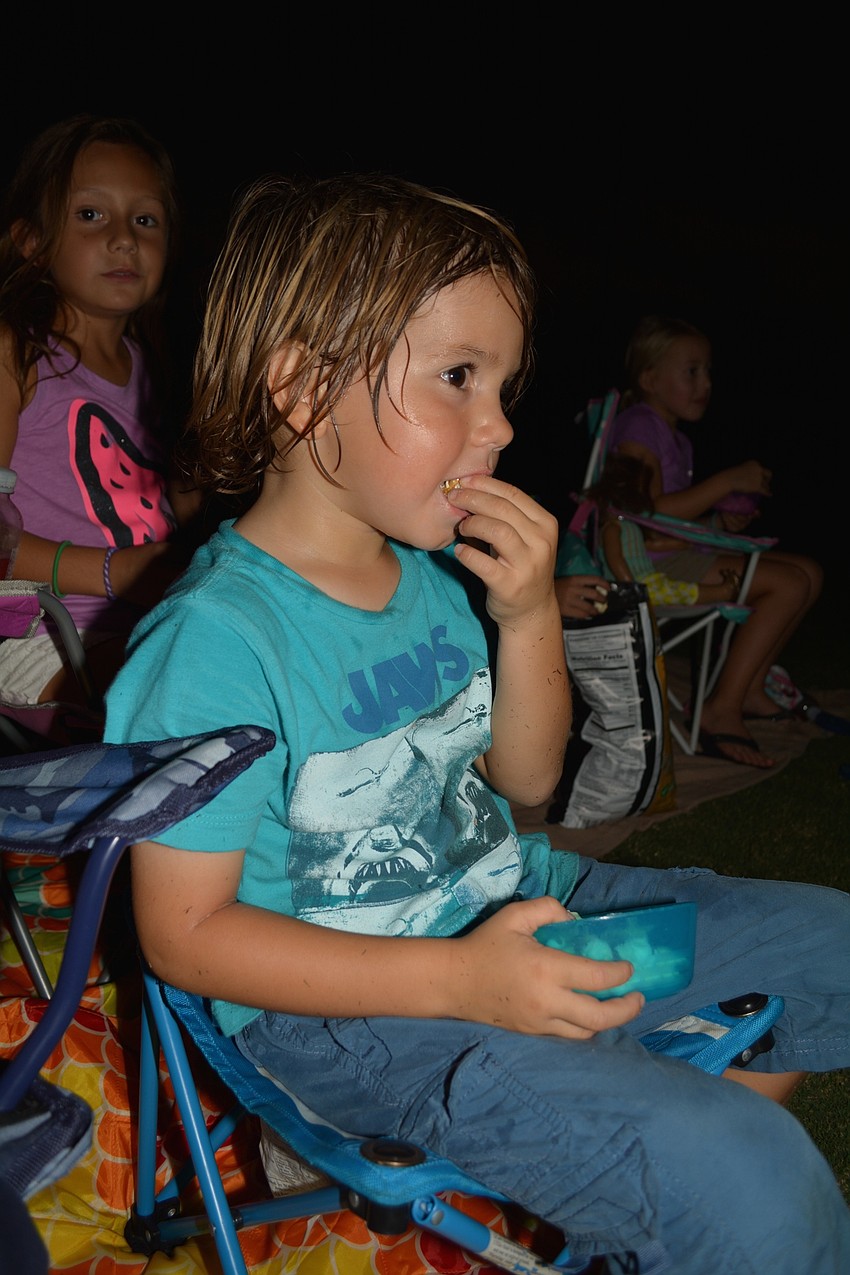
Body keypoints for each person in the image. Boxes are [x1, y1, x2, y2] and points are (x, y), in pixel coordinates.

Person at [104, 174, 850, 1273]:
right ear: (305, 390)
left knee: (828, 947)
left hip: (517, 904)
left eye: (502, 383)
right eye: (459, 377)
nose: (499, 423)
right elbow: (185, 937)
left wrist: (524, 612)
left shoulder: (427, 580)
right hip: (355, 1014)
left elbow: (527, 779)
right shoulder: (213, 643)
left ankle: (662, 1172)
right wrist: (462, 985)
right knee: (757, 1180)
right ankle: (698, 1172)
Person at [0, 115, 198, 710]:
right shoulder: (16, 353)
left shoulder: (162, 372)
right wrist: (122, 574)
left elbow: (185, 517)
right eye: (91, 215)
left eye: (145, 219)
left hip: (150, 621)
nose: (124, 238)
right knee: (187, 697)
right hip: (40, 629)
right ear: (32, 241)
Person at [606, 314, 823, 768]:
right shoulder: (639, 425)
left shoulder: (674, 438)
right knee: (788, 584)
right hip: (645, 567)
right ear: (650, 378)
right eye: (692, 371)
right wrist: (727, 481)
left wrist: (715, 522)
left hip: (673, 553)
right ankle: (720, 710)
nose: (705, 382)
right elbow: (642, 515)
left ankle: (753, 689)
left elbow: (667, 515)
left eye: (708, 371)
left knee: (808, 572)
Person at [586, 451, 743, 607]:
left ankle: (722, 591)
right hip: (633, 583)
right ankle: (722, 592)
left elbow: (649, 545)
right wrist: (630, 585)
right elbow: (615, 558)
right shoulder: (612, 528)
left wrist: (678, 544)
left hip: (646, 577)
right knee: (675, 591)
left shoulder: (628, 525)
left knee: (672, 588)